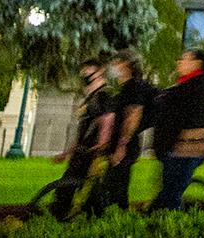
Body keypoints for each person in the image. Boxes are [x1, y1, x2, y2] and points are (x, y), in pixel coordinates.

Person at [150, 45, 204, 211]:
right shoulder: (195, 87)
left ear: (197, 64)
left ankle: (173, 230)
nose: (179, 62)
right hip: (187, 150)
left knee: (170, 197)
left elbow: (175, 121)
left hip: (182, 150)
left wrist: (161, 147)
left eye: (185, 58)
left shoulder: (190, 89)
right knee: (170, 194)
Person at [92, 49, 155, 214]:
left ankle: (116, 219)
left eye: (117, 62)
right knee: (115, 185)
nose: (114, 66)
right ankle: (117, 216)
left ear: (127, 65)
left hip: (126, 144)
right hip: (121, 143)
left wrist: (121, 146)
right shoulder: (125, 87)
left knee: (114, 185)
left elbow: (133, 117)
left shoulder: (134, 87)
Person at [50, 57, 113, 218]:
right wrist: (67, 152)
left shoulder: (103, 95)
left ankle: (66, 217)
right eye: (84, 71)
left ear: (100, 72)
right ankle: (64, 217)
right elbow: (83, 131)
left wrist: (101, 145)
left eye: (89, 70)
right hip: (81, 151)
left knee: (79, 189)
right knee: (69, 188)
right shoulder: (89, 99)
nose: (85, 74)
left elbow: (107, 119)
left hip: (91, 153)